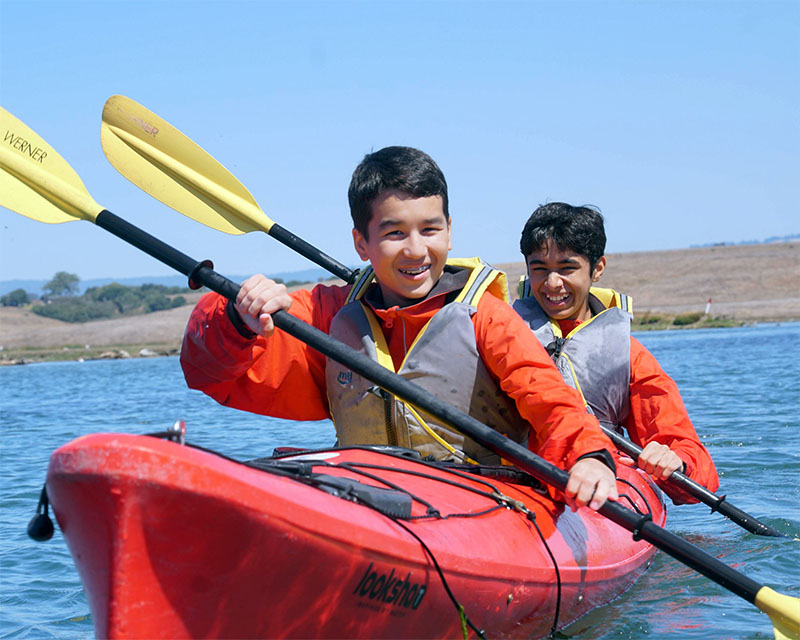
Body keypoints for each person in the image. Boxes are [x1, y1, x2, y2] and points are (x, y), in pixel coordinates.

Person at [181, 147, 619, 511]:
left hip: (481, 501)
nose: (416, 250)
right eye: (393, 233)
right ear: (361, 243)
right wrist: (236, 317)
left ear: (449, 233)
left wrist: (589, 456)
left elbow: (550, 399)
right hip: (368, 496)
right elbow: (207, 370)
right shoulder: (327, 314)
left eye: (430, 229)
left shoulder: (486, 316)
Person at [513, 202, 719, 504]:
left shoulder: (629, 356)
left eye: (567, 268)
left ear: (597, 269)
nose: (552, 283)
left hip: (598, 481)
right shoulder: (502, 334)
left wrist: (676, 460)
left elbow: (695, 467)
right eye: (540, 269)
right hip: (513, 481)